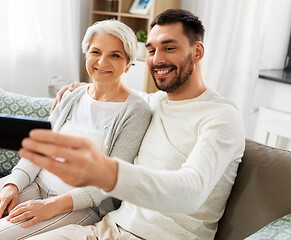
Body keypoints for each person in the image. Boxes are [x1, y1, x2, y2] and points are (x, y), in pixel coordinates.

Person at [18, 9, 246, 240]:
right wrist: (82, 87)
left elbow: (192, 192)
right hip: (109, 228)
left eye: (169, 48)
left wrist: (108, 172)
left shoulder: (222, 117)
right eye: (151, 50)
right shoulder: (152, 103)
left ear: (197, 52)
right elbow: (113, 91)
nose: (157, 59)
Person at [0, 20, 152, 240]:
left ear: (128, 63)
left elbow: (109, 183)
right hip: (37, 182)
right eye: (95, 51)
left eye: (115, 55)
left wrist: (50, 206)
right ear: (86, 54)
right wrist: (12, 184)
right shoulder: (72, 96)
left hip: (81, 205)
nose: (102, 61)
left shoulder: (136, 111)